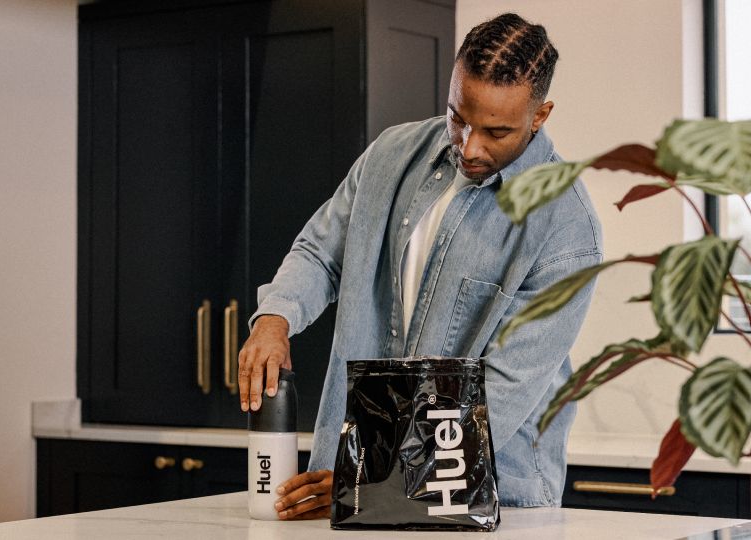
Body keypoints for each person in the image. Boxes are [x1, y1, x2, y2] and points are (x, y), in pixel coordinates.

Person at [237, 13, 601, 520]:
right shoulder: (391, 154)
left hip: (492, 497)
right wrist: (275, 319)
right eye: (458, 117)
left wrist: (370, 480)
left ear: (540, 116)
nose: (469, 147)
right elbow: (321, 252)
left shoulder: (565, 226)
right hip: (350, 485)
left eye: (495, 131)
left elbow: (502, 393)